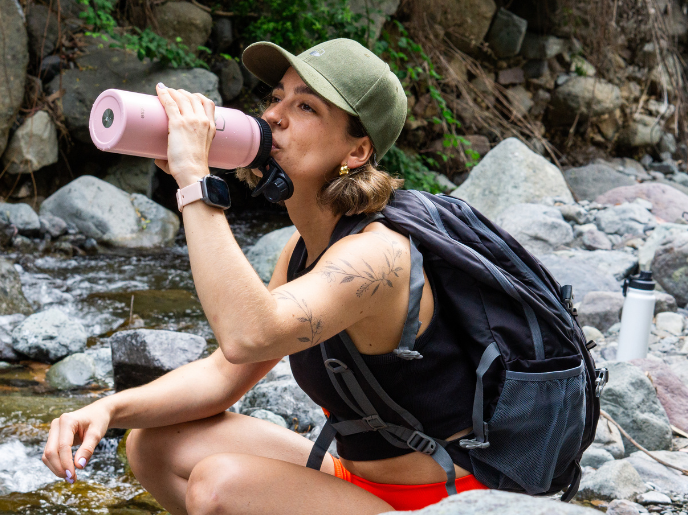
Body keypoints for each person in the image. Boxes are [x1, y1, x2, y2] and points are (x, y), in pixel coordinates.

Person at [41, 38, 487, 514]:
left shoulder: (379, 255)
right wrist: (108, 409)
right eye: (276, 98)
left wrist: (193, 178)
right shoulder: (301, 249)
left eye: (306, 106)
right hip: (357, 484)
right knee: (153, 443)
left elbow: (248, 336)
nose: (274, 115)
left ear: (357, 151)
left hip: (440, 506)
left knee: (220, 485)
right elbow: (223, 375)